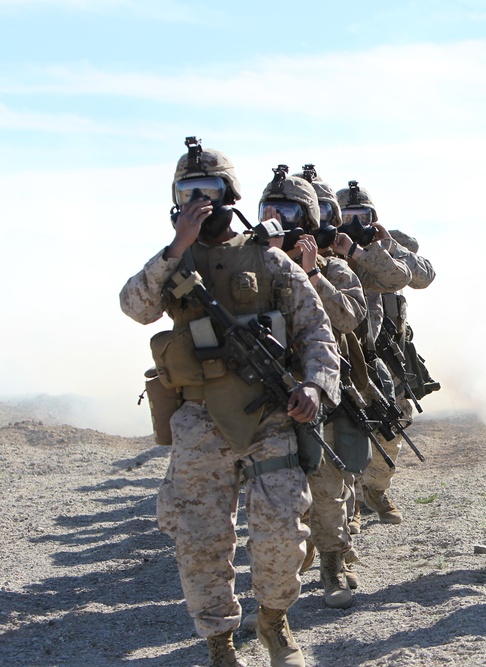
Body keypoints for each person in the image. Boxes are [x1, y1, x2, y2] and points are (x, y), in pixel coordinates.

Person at [120, 138, 340, 667]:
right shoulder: (174, 259)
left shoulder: (269, 259)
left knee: (283, 532)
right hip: (199, 417)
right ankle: (220, 642)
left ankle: (274, 626)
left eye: (210, 189)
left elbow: (317, 334)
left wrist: (314, 386)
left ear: (230, 193)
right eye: (188, 191)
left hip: (269, 413)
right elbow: (134, 307)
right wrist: (177, 247)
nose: (201, 200)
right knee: (200, 537)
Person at [260, 165, 367, 609]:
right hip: (266, 396)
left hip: (320, 389)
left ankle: (333, 564)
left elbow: (349, 319)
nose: (277, 218)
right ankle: (274, 591)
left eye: (287, 210)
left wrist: (312, 275)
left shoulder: (335, 269)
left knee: (327, 485)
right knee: (271, 495)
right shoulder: (255, 261)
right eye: (270, 209)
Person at [334, 181, 435, 527]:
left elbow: (423, 276)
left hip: (384, 349)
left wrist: (382, 245)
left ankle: (375, 488)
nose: (353, 223)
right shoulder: (327, 246)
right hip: (343, 348)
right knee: (345, 422)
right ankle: (351, 502)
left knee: (394, 418)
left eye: (361, 216)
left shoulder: (390, 244)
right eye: (345, 216)